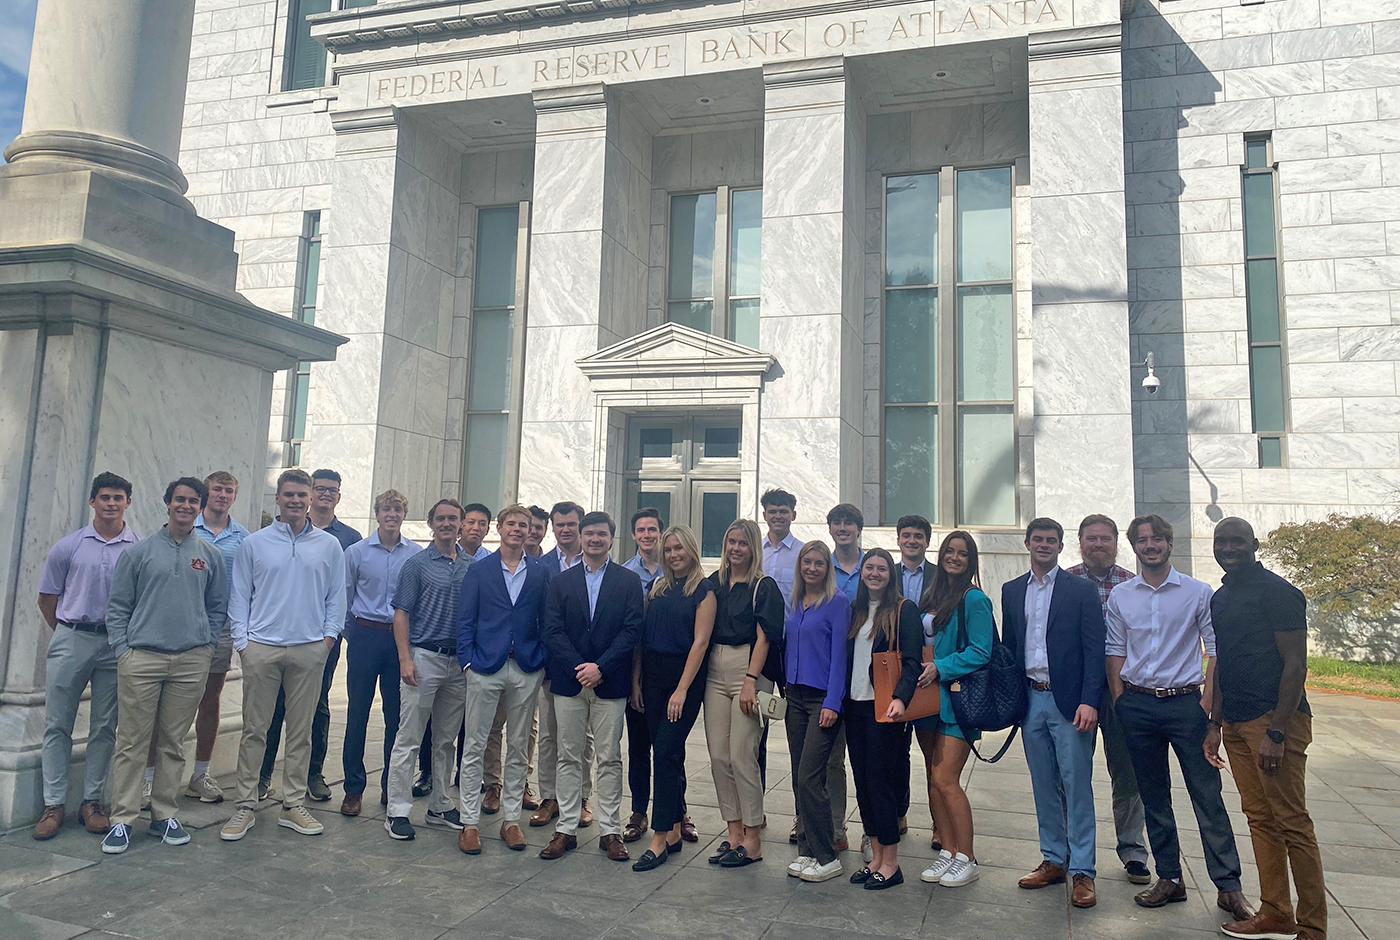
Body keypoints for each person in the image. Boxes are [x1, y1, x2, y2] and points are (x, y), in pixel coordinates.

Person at [1106, 514, 1252, 920]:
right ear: (1133, 547)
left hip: (1187, 706)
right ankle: (1169, 877)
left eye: (1157, 539)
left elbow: (1215, 649)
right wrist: (1121, 701)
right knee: (1154, 797)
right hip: (1138, 705)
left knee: (1207, 797)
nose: (1150, 545)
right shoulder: (1122, 595)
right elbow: (1115, 649)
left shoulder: (1197, 592)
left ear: (1169, 544)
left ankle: (1228, 886)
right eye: (1142, 540)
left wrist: (1209, 705)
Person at [1205, 518, 1327, 940]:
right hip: (1236, 723)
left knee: (1293, 822)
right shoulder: (1220, 597)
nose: (1229, 547)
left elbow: (1295, 666)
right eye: (1222, 541)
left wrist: (1277, 733)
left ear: (1254, 544)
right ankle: (1275, 911)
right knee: (1259, 818)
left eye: (1237, 540)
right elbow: (1222, 663)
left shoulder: (1279, 593)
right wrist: (1215, 723)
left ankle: (1313, 926)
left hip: (1276, 722)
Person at [101, 477, 227, 854]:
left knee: (173, 742)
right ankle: (122, 819)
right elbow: (118, 607)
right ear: (167, 503)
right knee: (132, 742)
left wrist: (205, 647)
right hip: (141, 658)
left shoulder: (209, 555)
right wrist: (123, 649)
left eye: (193, 501)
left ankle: (164, 814)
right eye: (179, 499)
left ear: (200, 506)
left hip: (190, 661)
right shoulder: (139, 553)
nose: (185, 506)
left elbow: (217, 607)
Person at [221, 469, 346, 841]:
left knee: (301, 730)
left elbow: (336, 596)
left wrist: (327, 639)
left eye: (301, 495)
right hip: (261, 647)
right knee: (254, 730)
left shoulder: (329, 546)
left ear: (310, 499)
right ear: (277, 498)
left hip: (309, 648)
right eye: (288, 494)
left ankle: (292, 804)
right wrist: (243, 643)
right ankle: (245, 804)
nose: (295, 500)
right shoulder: (255, 544)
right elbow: (240, 595)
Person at [1002, 518, 1106, 909]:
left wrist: (1089, 700)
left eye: (1051, 540)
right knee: (1043, 785)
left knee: (1077, 786)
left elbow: (1095, 649)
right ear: (1027, 543)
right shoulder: (1011, 591)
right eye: (1038, 539)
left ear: (1062, 547)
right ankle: (1054, 860)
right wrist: (1011, 703)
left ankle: (1083, 871)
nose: (1044, 545)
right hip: (1031, 701)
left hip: (1070, 704)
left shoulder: (1081, 591)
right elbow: (1010, 649)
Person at [33, 471, 137, 841]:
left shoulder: (137, 547)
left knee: (105, 726)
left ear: (128, 502)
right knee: (57, 724)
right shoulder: (69, 546)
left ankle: (92, 801)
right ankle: (53, 804)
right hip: (72, 637)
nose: (111, 503)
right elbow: (47, 597)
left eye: (118, 497)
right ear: (92, 502)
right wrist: (67, 630)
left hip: (115, 645)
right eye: (105, 497)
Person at [540, 511, 645, 861]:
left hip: (610, 682)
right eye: (589, 534)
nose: (595, 540)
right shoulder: (561, 581)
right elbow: (552, 630)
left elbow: (632, 630)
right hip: (569, 683)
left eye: (602, 534)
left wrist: (600, 667)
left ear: (612, 539)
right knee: (568, 756)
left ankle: (610, 831)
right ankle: (566, 829)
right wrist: (579, 668)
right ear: (580, 539)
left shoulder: (628, 581)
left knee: (610, 758)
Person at [260, 468, 361, 804]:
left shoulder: (348, 538)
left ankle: (312, 774)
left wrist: (332, 636)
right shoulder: (275, 534)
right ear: (310, 494)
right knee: (274, 704)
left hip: (321, 638)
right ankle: (262, 776)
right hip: (277, 634)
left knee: (317, 704)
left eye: (333, 489)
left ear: (339, 495)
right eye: (321, 489)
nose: (326, 494)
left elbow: (345, 592)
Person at [457, 504, 552, 855]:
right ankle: (469, 823)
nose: (517, 529)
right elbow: (465, 620)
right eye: (511, 523)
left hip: (525, 668)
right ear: (499, 528)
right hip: (485, 667)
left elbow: (547, 622)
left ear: (531, 531)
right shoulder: (480, 570)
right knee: (475, 746)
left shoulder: (541, 573)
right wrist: (468, 663)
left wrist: (541, 662)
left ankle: (511, 821)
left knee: (517, 749)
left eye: (523, 525)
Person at [1065, 513, 1150, 886]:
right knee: (1071, 773)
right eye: (1091, 539)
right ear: (1080, 542)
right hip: (1075, 690)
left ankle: (1133, 849)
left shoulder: (1134, 585)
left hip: (1122, 691)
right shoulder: (1063, 583)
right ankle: (1070, 849)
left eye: (1105, 539)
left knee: (1129, 772)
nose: (1098, 545)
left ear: (1117, 544)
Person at [382, 499, 471, 841]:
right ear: (431, 524)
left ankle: (440, 804)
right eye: (441, 519)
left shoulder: (471, 566)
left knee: (446, 739)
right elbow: (401, 613)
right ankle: (398, 810)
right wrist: (405, 659)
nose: (447, 523)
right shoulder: (416, 565)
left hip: (457, 663)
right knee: (409, 737)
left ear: (461, 523)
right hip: (424, 657)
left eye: (453, 518)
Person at [632, 525, 716, 872]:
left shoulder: (704, 590)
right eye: (668, 550)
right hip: (651, 678)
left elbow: (700, 643)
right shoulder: (657, 587)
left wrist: (682, 690)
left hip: (683, 680)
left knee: (665, 750)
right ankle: (677, 827)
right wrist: (636, 680)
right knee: (666, 754)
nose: (673, 554)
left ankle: (659, 836)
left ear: (692, 550)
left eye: (679, 548)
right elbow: (642, 637)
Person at [915, 530, 993, 887]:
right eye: (950, 551)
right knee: (933, 780)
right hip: (927, 699)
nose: (955, 558)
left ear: (970, 560)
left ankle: (968, 857)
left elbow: (981, 650)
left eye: (963, 553)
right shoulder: (934, 594)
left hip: (957, 699)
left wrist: (941, 667)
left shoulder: (974, 598)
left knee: (947, 779)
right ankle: (947, 852)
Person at [705, 519, 783, 868]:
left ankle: (753, 839)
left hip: (748, 668)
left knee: (742, 754)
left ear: (754, 548)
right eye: (731, 542)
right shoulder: (714, 583)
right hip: (714, 669)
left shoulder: (762, 586)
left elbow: (765, 636)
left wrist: (751, 679)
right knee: (719, 756)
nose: (736, 549)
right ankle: (733, 833)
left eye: (743, 543)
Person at [339, 489, 420, 817]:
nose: (392, 514)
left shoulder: (415, 554)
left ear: (404, 514)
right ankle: (353, 789)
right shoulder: (356, 552)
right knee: (357, 713)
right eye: (387, 509)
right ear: (377, 513)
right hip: (365, 636)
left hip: (399, 643)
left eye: (398, 509)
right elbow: (344, 595)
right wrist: (351, 634)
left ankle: (391, 784)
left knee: (396, 717)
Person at [844, 548, 922, 890]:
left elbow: (913, 661)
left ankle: (891, 862)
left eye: (882, 569)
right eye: (869, 568)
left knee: (881, 782)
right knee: (862, 782)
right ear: (862, 573)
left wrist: (901, 699)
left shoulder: (903, 610)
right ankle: (875, 856)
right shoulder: (856, 610)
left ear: (891, 575)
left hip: (885, 708)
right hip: (856, 707)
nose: (875, 573)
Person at [181, 471, 250, 805]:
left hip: (220, 628)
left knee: (211, 698)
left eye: (229, 490)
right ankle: (152, 777)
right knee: (174, 702)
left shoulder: (244, 538)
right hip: (182, 624)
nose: (222, 495)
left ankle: (200, 774)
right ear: (205, 493)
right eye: (217, 489)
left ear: (235, 496)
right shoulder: (186, 529)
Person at [784, 541, 850, 883]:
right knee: (799, 777)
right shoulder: (795, 601)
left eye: (819, 563)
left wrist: (832, 703)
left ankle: (827, 854)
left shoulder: (838, 603)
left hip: (821, 699)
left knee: (812, 777)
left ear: (828, 568)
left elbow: (840, 658)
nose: (812, 568)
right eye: (807, 562)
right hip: (794, 697)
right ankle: (807, 852)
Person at [532, 500, 593, 828]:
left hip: (587, 665)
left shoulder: (594, 563)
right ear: (552, 528)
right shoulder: (542, 567)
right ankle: (550, 797)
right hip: (551, 664)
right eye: (560, 524)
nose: (565, 529)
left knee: (582, 737)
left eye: (571, 524)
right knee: (550, 735)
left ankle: (582, 797)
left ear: (580, 526)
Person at [621, 507, 665, 842]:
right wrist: (633, 681)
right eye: (641, 530)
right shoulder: (623, 576)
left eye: (652, 529)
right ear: (634, 535)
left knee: (670, 747)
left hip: (668, 675)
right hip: (635, 671)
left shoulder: (680, 570)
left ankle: (677, 812)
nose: (647, 535)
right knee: (638, 747)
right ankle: (638, 811)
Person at [760, 488, 801, 605]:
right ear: (764, 516)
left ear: (793, 515)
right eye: (772, 512)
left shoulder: (803, 553)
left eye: (783, 511)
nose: (778, 516)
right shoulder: (755, 551)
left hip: (789, 623)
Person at [828, 503, 865, 601]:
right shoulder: (823, 568)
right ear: (830, 530)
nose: (842, 528)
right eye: (836, 523)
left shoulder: (872, 568)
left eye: (848, 523)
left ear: (859, 529)